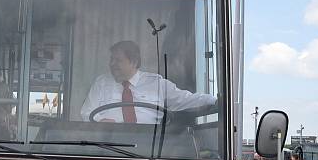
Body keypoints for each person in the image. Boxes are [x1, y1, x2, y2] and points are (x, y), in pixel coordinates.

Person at [80, 40, 216, 123]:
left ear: (133, 62)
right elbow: (86, 112)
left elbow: (187, 99)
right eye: (111, 60)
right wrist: (100, 121)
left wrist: (216, 101)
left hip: (151, 148)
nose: (112, 64)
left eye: (118, 60)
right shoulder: (101, 83)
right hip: (109, 144)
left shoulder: (157, 84)